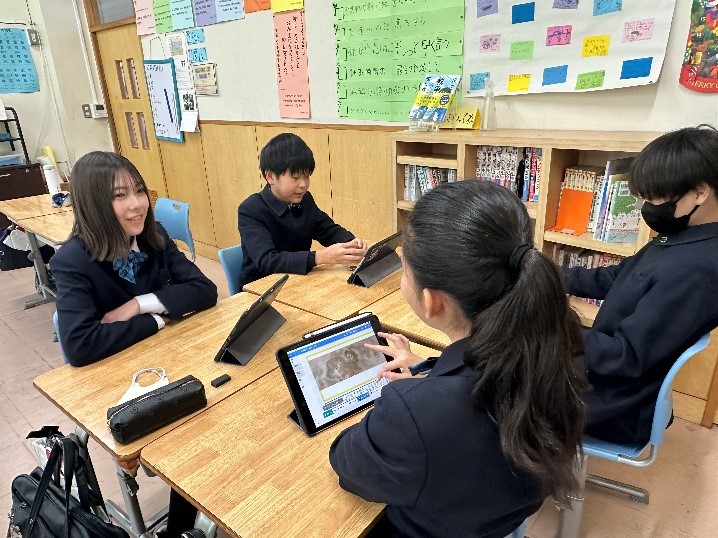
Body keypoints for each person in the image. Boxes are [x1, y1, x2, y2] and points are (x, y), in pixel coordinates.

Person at [329, 180, 588, 538]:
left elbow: (347, 463)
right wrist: (431, 377)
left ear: (432, 301)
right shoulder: (556, 344)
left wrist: (414, 400)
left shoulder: (415, 414)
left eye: (405, 270)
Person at [50, 151, 218, 537]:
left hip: (168, 361)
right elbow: (80, 346)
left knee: (214, 412)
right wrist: (158, 318)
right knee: (195, 435)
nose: (137, 204)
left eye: (139, 191)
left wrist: (138, 305)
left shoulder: (153, 237)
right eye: (120, 195)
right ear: (93, 204)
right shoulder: (72, 260)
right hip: (119, 383)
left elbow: (204, 290)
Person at [563, 125, 718, 445]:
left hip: (615, 404)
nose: (647, 206)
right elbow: (617, 277)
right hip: (604, 374)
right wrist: (551, 275)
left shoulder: (697, 271)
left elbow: (626, 356)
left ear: (699, 193)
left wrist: (549, 331)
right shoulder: (680, 238)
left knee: (492, 383)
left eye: (654, 196)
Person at [237, 132, 366, 287]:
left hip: (298, 280)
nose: (303, 184)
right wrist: (319, 257)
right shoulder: (251, 209)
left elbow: (327, 229)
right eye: (295, 177)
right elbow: (267, 261)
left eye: (307, 176)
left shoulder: (305, 200)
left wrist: (351, 244)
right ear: (270, 177)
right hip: (261, 288)